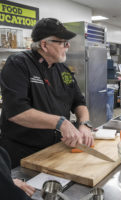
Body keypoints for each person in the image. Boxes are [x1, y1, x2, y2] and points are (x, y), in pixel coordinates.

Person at [0, 18, 94, 168]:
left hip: (56, 149)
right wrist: (60, 122)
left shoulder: (63, 70)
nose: (68, 46)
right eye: (63, 42)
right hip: (22, 154)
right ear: (44, 45)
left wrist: (84, 124)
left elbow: (79, 102)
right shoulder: (18, 64)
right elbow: (16, 111)